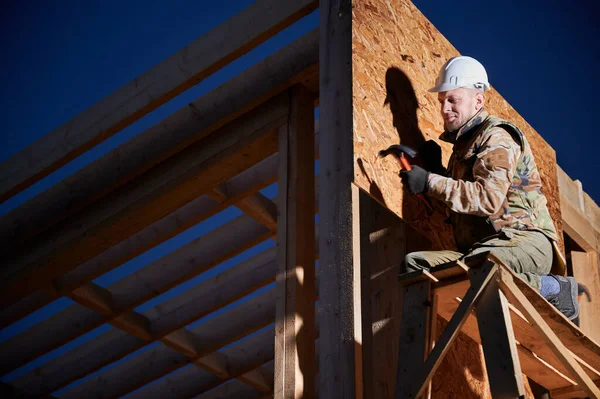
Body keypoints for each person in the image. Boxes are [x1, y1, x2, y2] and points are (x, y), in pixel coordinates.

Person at [400, 55, 583, 322]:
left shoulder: (496, 135)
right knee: (416, 265)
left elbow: (487, 199)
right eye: (442, 101)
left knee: (481, 265)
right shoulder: (461, 151)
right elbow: (463, 201)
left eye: (453, 100)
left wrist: (430, 181)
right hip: (482, 250)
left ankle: (557, 289)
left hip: (525, 243)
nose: (445, 108)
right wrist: (436, 173)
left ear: (478, 100)